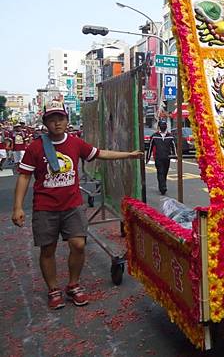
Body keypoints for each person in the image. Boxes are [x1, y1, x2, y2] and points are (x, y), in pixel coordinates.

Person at [11, 101, 144, 310]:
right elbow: (24, 177)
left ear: (67, 120)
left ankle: (73, 285)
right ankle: (53, 289)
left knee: (78, 245)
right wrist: (17, 207)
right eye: (52, 119)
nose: (57, 123)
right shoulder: (35, 147)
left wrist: (128, 155)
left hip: (72, 205)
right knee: (48, 249)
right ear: (45, 122)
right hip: (45, 207)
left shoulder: (75, 143)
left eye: (61, 118)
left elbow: (100, 153)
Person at [146, 120, 176, 195]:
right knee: (160, 172)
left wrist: (175, 155)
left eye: (164, 125)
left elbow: (173, 147)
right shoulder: (154, 136)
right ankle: (163, 188)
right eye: (162, 125)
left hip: (167, 158)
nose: (163, 126)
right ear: (159, 126)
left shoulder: (170, 136)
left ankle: (162, 185)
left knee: (165, 173)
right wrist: (148, 158)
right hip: (158, 158)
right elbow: (150, 147)